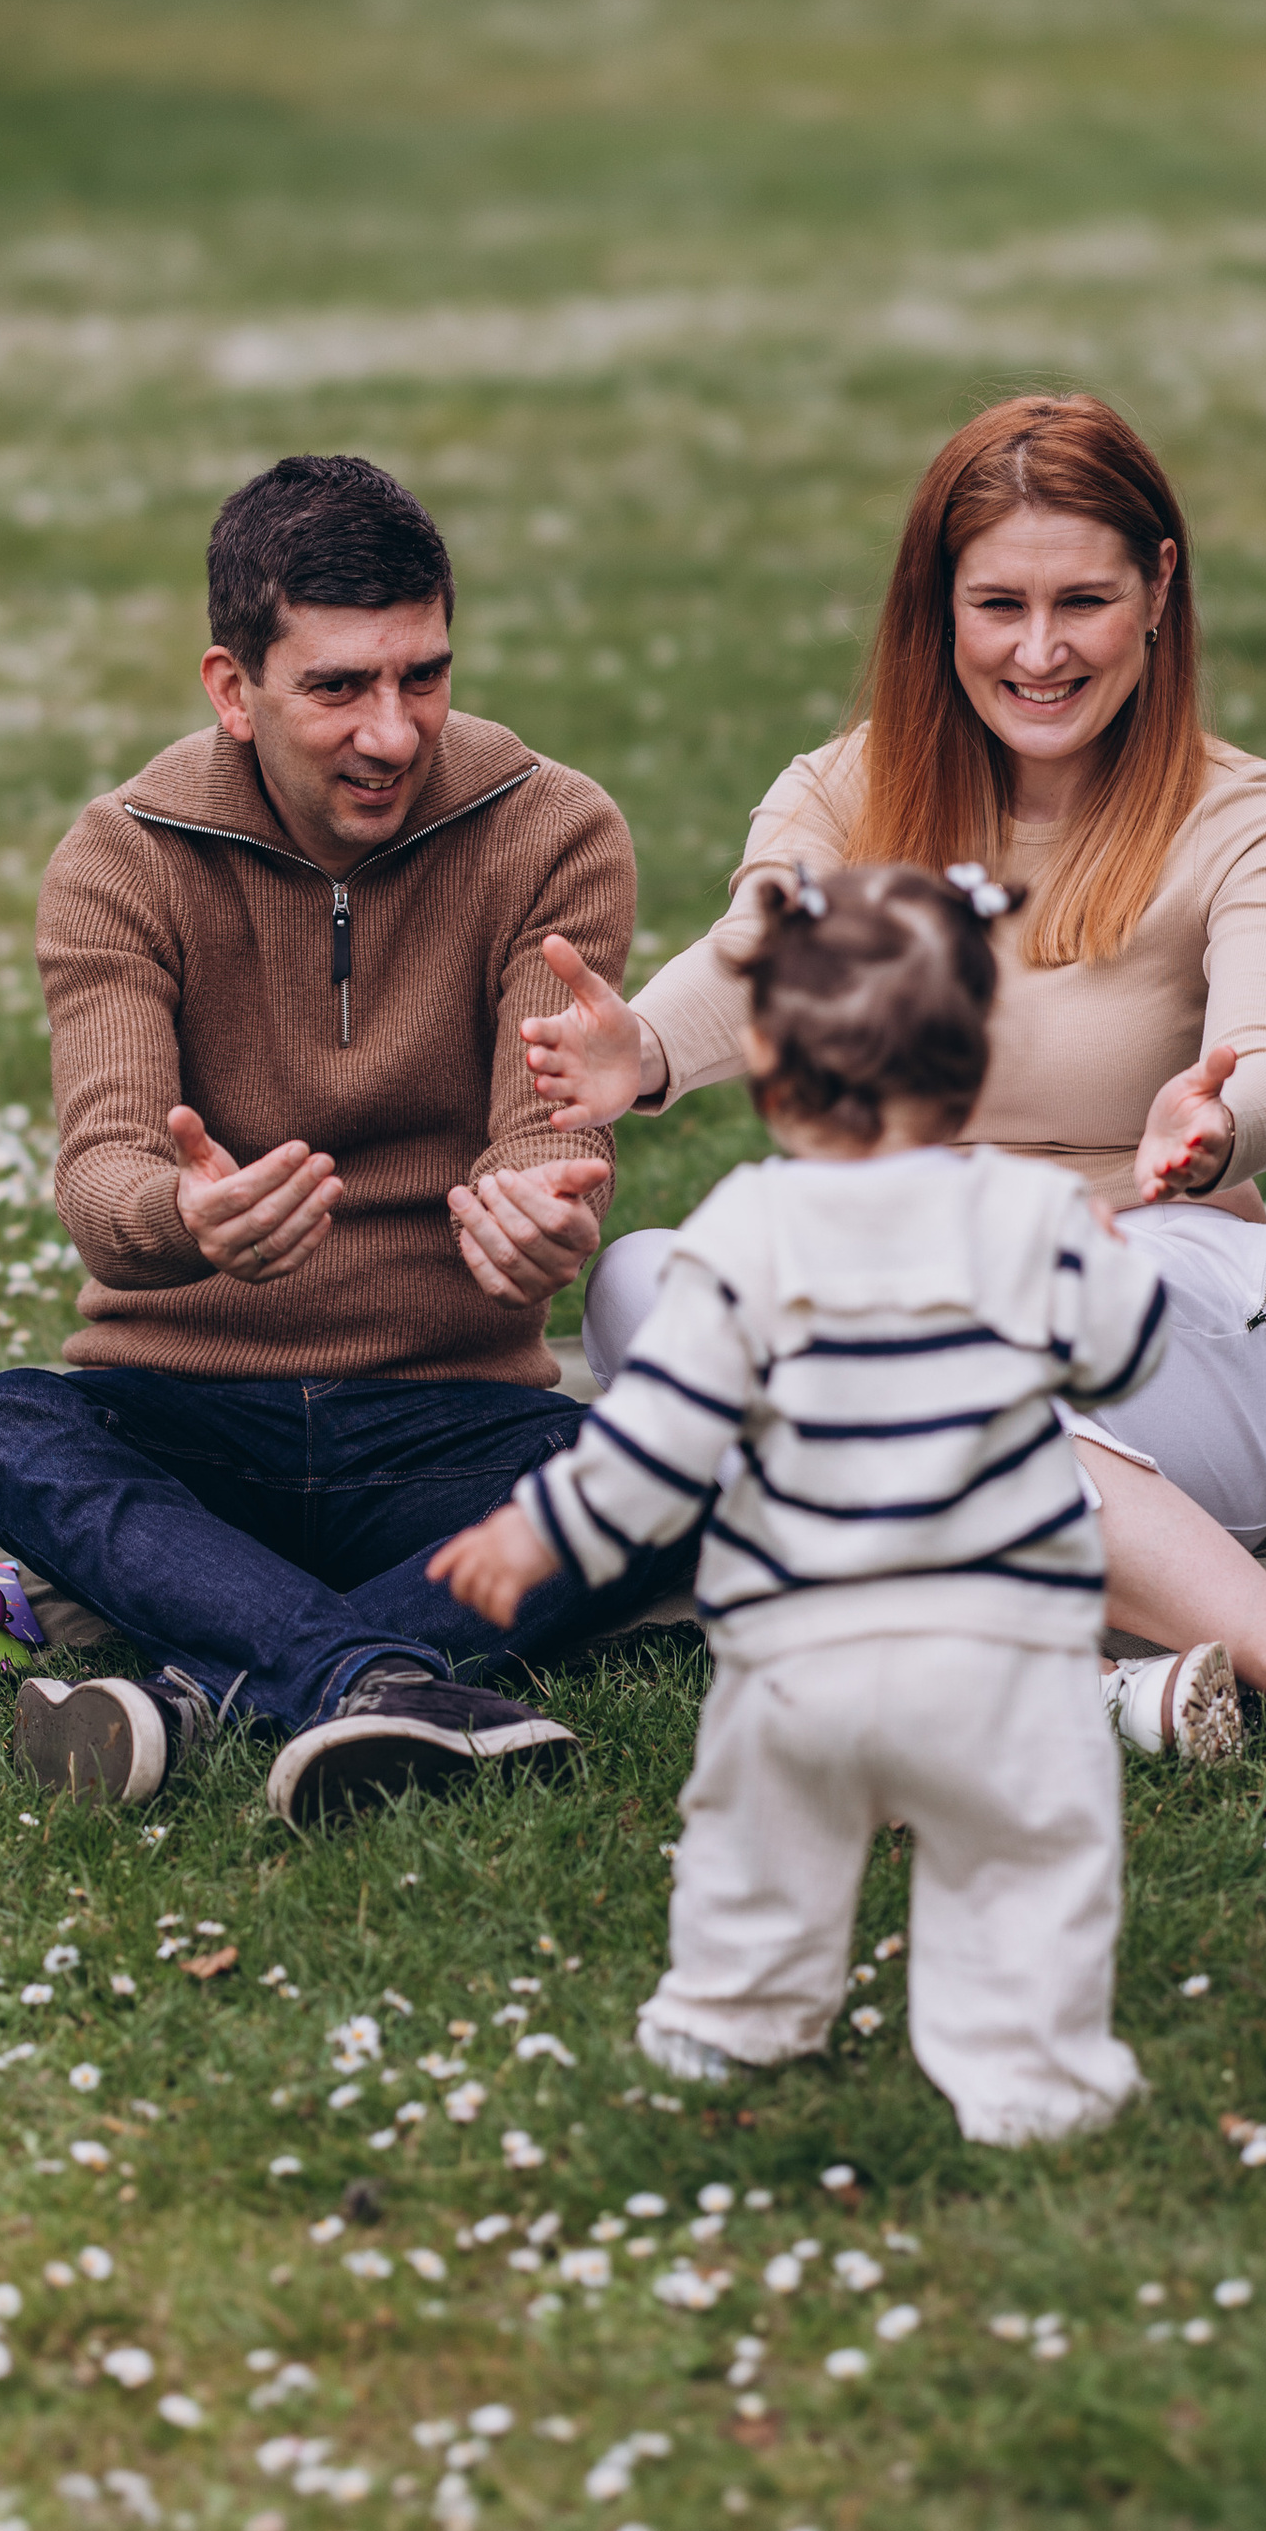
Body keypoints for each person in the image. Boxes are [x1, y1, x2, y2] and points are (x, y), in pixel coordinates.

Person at [517, 393, 1266, 1784]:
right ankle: (1077, 1687)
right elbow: (762, 950)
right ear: (939, 606)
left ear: (1160, 587)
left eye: (1083, 602)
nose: (1039, 652)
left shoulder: (1250, 822)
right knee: (645, 1287)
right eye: (998, 604)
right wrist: (644, 1053)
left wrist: (1220, 1120)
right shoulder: (846, 790)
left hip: (1161, 1317)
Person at [0, 450, 693, 1821]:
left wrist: (543, 1212)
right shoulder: (124, 856)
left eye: (424, 675)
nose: (393, 733)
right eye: (339, 686)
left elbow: (543, 1137)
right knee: (1, 1425)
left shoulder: (552, 829)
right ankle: (374, 1674)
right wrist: (189, 1219)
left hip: (450, 1423)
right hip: (185, 1420)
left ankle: (199, 1687)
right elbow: (105, 1173)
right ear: (234, 688)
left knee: (681, 1463)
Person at [434, 861, 1169, 2146]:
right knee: (1023, 1856)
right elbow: (1121, 1361)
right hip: (996, 1651)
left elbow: (661, 1439)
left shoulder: (745, 1231)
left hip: (799, 1650)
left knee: (759, 1840)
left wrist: (540, 1528)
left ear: (768, 1060)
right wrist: (1115, 1278)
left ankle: (732, 2015)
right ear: (979, 1055)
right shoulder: (1036, 1213)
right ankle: (1031, 2081)